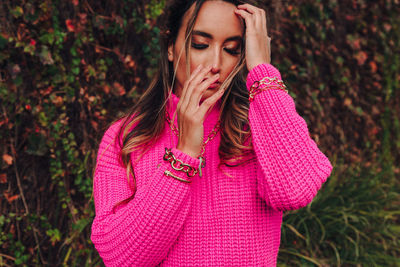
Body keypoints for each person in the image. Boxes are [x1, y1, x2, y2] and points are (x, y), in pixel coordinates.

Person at [90, 0, 333, 266]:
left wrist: (262, 71)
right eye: (200, 45)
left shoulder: (257, 127)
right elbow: (121, 257)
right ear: (171, 48)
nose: (215, 63)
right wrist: (183, 156)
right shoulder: (127, 136)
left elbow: (295, 191)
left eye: (231, 50)